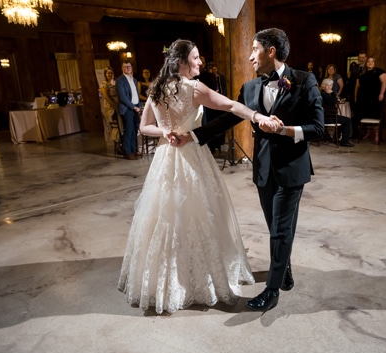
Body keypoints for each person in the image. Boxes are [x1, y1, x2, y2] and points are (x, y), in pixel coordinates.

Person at [117, 39, 278, 314]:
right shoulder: (193, 88)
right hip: (191, 157)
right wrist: (257, 116)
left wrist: (166, 133)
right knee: (201, 214)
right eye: (196, 58)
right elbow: (231, 106)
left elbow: (145, 127)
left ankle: (162, 278)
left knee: (165, 217)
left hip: (165, 158)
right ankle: (198, 276)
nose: (200, 62)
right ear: (181, 62)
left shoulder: (156, 87)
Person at [172, 28, 325, 312]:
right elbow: (228, 119)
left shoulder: (304, 80)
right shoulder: (251, 87)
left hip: (292, 169)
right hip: (264, 169)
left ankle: (272, 290)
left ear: (271, 51)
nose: (250, 56)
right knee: (276, 226)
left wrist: (286, 130)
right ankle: (285, 267)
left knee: (280, 229)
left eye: (254, 49)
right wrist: (192, 136)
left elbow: (318, 127)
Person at [355, 56, 386, 136]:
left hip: (374, 98)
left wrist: (382, 93)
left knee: (375, 115)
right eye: (368, 61)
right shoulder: (362, 73)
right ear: (366, 63)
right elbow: (357, 86)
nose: (370, 63)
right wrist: (355, 97)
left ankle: (376, 134)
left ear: (374, 63)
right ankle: (366, 133)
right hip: (363, 98)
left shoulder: (379, 71)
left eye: (372, 61)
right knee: (362, 115)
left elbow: (384, 82)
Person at [116, 61, 143, 160]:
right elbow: (122, 97)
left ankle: (134, 149)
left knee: (135, 130)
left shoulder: (134, 80)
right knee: (128, 130)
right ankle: (128, 152)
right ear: (122, 68)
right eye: (125, 67)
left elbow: (136, 95)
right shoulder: (120, 80)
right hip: (127, 108)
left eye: (129, 66)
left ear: (132, 68)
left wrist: (138, 106)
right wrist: (133, 107)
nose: (127, 68)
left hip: (136, 107)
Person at [320, 78, 353, 147]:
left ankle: (336, 138)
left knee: (343, 120)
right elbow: (334, 101)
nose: (329, 87)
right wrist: (332, 93)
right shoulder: (323, 94)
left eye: (331, 85)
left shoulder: (323, 94)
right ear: (324, 86)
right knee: (347, 120)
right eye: (327, 85)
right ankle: (344, 141)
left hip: (328, 117)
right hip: (328, 118)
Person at [100, 68, 118, 144]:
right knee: (114, 125)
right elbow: (106, 97)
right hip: (110, 106)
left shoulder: (116, 83)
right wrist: (114, 105)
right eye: (108, 73)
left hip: (118, 104)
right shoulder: (104, 85)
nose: (110, 75)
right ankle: (116, 141)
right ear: (105, 75)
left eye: (111, 73)